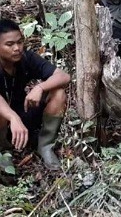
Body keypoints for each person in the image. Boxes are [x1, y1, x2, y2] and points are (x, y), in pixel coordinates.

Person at [0, 19, 70, 171]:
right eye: (9, 44)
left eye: (20, 42)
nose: (17, 48)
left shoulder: (26, 57)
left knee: (58, 92)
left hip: (24, 112)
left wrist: (39, 88)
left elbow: (64, 76)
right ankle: (3, 152)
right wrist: (13, 117)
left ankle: (45, 145)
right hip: (5, 121)